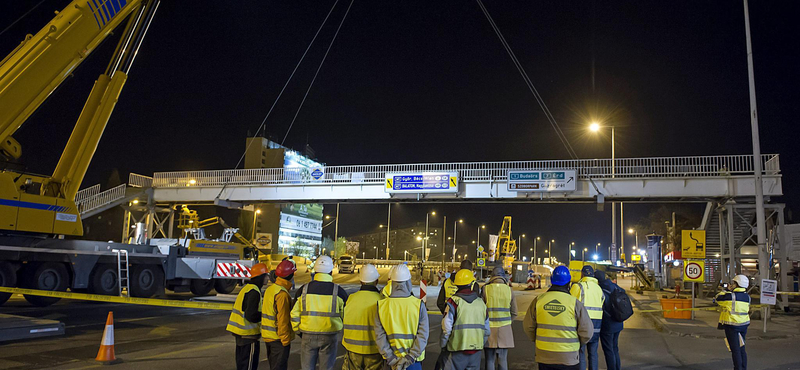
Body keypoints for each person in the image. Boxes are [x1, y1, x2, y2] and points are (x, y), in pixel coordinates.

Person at [524, 265, 593, 370]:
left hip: (544, 355)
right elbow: (587, 331)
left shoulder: (539, 300)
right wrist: (578, 344)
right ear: (569, 281)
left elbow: (528, 326)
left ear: (551, 280)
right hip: (569, 357)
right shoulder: (574, 303)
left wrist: (537, 340)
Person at [291, 256, 349, 370]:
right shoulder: (338, 292)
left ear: (315, 271)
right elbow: (346, 315)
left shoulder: (303, 290)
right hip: (329, 335)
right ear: (331, 271)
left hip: (307, 335)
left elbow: (294, 314)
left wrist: (299, 331)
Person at [375, 264, 429, 370]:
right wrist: (410, 356)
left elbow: (379, 336)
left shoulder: (381, 306)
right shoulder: (418, 305)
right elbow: (423, 335)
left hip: (391, 363)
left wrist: (391, 357)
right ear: (408, 282)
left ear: (392, 283)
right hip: (413, 362)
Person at [435, 260, 481, 370]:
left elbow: (440, 302)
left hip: (450, 326)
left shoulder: (447, 282)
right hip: (471, 337)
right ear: (471, 271)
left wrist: (448, 312)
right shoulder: (474, 285)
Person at [441, 269, 490, 370]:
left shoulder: (453, 302)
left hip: (456, 350)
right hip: (476, 351)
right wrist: (479, 343)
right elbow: (487, 330)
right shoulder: (481, 303)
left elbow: (446, 329)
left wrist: (443, 345)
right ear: (472, 284)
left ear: (456, 285)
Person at [227, 263, 268, 370]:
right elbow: (251, 315)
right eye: (266, 275)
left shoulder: (247, 288)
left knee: (242, 366)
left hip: (241, 335)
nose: (268, 278)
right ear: (260, 277)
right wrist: (265, 315)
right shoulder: (254, 291)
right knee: (249, 366)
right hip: (248, 337)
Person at [342, 264, 384, 370]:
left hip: (352, 349)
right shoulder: (382, 300)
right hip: (374, 350)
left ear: (361, 281)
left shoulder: (351, 299)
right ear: (376, 281)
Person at [262, 260, 297, 370]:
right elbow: (283, 320)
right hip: (278, 339)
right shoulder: (282, 294)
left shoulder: (271, 289)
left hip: (268, 337)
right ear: (291, 275)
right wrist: (286, 341)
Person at [482, 266, 517, 370]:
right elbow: (514, 312)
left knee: (489, 360)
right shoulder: (509, 290)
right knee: (503, 359)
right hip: (504, 330)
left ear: (492, 276)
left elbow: (481, 311)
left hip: (488, 330)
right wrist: (507, 322)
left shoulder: (485, 289)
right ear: (504, 277)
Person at [570, 265, 604, 370]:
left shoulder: (578, 287)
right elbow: (602, 302)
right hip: (597, 324)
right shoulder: (599, 289)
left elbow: (570, 303)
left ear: (582, 274)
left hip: (583, 323)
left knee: (581, 352)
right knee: (593, 352)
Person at [714, 274, 751, 370]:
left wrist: (725, 290)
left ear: (737, 284)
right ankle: (743, 368)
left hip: (732, 325)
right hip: (744, 325)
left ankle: (738, 368)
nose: (732, 284)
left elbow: (717, 299)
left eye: (733, 283)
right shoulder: (747, 297)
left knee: (735, 350)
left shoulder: (730, 296)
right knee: (741, 348)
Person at [594, 270, 623, 370]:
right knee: (615, 348)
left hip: (607, 325)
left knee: (608, 350)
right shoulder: (615, 286)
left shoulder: (599, 290)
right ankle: (617, 367)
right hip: (618, 323)